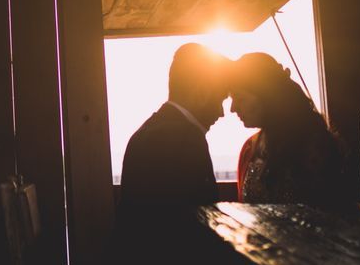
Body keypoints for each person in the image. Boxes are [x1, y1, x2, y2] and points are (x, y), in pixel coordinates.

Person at [118, 42, 232, 208]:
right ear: (202, 94)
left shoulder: (147, 132)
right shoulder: (187, 140)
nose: (221, 113)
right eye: (220, 99)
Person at [229, 52, 345, 203]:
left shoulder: (315, 145)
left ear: (266, 96)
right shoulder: (250, 147)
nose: (233, 108)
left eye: (240, 99)